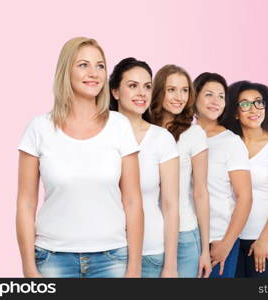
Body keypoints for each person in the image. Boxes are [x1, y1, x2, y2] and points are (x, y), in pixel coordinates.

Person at [16, 37, 144, 278]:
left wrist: (134, 268)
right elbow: (25, 204)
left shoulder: (120, 126)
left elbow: (133, 202)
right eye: (83, 65)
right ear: (67, 71)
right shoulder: (38, 128)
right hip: (52, 259)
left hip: (112, 259)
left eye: (100, 66)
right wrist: (29, 268)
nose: (93, 73)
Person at [109, 57, 179, 277]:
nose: (141, 93)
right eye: (132, 86)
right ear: (115, 92)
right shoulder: (100, 134)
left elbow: (170, 206)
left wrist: (170, 265)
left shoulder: (162, 139)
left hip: (150, 252)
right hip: (103, 253)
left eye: (147, 86)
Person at [222, 80, 268, 278]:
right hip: (231, 242)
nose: (253, 109)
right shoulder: (229, 145)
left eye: (258, 102)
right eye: (244, 103)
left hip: (265, 242)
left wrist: (264, 239)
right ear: (235, 112)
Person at [147, 64, 212, 278]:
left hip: (184, 236)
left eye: (185, 90)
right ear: (159, 91)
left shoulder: (194, 134)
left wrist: (204, 250)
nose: (179, 97)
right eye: (171, 89)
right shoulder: (144, 130)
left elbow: (200, 192)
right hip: (147, 236)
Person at [193, 72, 253, 278]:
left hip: (217, 240)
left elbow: (245, 197)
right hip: (186, 239)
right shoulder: (181, 137)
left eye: (221, 96)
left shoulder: (231, 143)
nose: (215, 101)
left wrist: (227, 244)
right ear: (195, 96)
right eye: (209, 94)